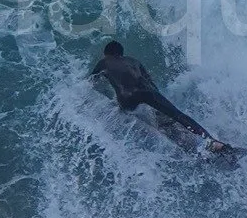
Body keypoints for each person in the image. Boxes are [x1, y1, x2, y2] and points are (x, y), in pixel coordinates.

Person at [90, 41, 235, 155]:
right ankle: (213, 143)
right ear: (121, 53)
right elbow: (149, 81)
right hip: (148, 93)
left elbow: (91, 81)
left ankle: (175, 139)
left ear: (106, 53)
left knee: (144, 119)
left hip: (126, 99)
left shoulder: (104, 62)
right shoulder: (133, 61)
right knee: (176, 115)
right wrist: (160, 104)